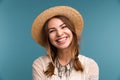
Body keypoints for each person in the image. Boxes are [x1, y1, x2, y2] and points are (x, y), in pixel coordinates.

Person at [31, 6, 99, 80]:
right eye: (52, 30)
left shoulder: (90, 65)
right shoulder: (40, 64)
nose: (59, 34)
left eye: (63, 27)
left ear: (72, 31)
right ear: (48, 38)